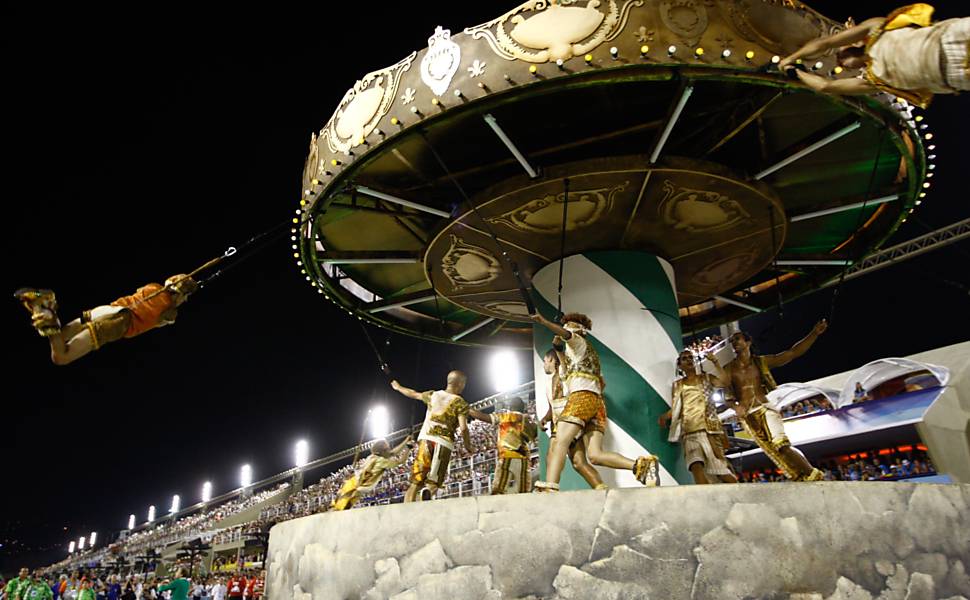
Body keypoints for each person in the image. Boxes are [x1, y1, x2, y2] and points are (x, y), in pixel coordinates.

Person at [530, 312, 659, 491]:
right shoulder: (580, 354)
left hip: (582, 397)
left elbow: (567, 335)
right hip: (597, 404)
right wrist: (559, 350)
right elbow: (566, 370)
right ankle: (642, 465)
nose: (566, 330)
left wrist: (544, 321)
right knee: (596, 455)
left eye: (569, 326)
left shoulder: (579, 342)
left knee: (560, 440)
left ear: (579, 330)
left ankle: (550, 487)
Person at [778, 4, 968, 107]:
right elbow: (827, 86)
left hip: (951, 38)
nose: (841, 62)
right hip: (955, 75)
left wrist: (791, 58)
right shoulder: (873, 80)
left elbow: (825, 43)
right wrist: (795, 72)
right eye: (843, 65)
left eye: (840, 56)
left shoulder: (878, 29)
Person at [708, 322, 828, 481]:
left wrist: (814, 333)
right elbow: (722, 389)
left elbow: (792, 353)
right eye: (732, 341)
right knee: (773, 451)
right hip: (749, 417)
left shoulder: (761, 362)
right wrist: (735, 406)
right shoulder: (729, 368)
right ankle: (800, 477)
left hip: (765, 408)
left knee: (781, 444)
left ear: (748, 342)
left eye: (737, 339)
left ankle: (814, 474)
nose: (734, 343)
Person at [14, 275, 198, 365]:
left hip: (106, 309)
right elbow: (167, 318)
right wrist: (183, 295)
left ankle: (41, 300)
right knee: (61, 356)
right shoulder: (170, 310)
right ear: (181, 295)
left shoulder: (152, 287)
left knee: (62, 337)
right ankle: (48, 315)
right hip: (118, 323)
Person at [659, 350, 738, 485]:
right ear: (680, 365)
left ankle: (742, 492)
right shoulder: (677, 385)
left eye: (691, 357)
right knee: (696, 466)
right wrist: (665, 416)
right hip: (689, 431)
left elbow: (725, 382)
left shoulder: (706, 377)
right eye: (684, 358)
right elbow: (677, 407)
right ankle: (706, 499)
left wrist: (715, 362)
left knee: (720, 471)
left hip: (709, 431)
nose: (689, 360)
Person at [391, 371, 472, 502]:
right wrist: (468, 445)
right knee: (433, 483)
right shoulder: (461, 403)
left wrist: (398, 387)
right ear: (460, 383)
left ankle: (406, 510)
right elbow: (463, 428)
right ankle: (427, 492)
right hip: (444, 444)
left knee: (415, 482)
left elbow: (413, 393)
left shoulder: (433, 395)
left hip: (426, 441)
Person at [537, 348, 606, 490]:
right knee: (578, 462)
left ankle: (550, 487)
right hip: (561, 421)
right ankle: (600, 488)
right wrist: (545, 418)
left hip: (570, 418)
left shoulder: (565, 372)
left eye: (544, 361)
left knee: (553, 453)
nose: (543, 365)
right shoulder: (549, 382)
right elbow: (552, 406)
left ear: (551, 359)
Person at [469, 395, 537, 494]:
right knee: (523, 490)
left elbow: (484, 417)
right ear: (523, 408)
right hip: (523, 457)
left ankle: (497, 508)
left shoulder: (504, 416)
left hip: (506, 456)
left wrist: (468, 410)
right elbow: (534, 434)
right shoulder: (526, 419)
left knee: (498, 488)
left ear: (510, 407)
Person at [331, 435, 414, 510]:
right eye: (387, 448)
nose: (390, 450)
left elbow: (392, 453)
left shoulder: (371, 457)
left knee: (337, 507)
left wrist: (406, 440)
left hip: (352, 483)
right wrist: (408, 448)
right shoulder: (381, 461)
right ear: (383, 451)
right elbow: (401, 461)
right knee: (341, 509)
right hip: (357, 488)